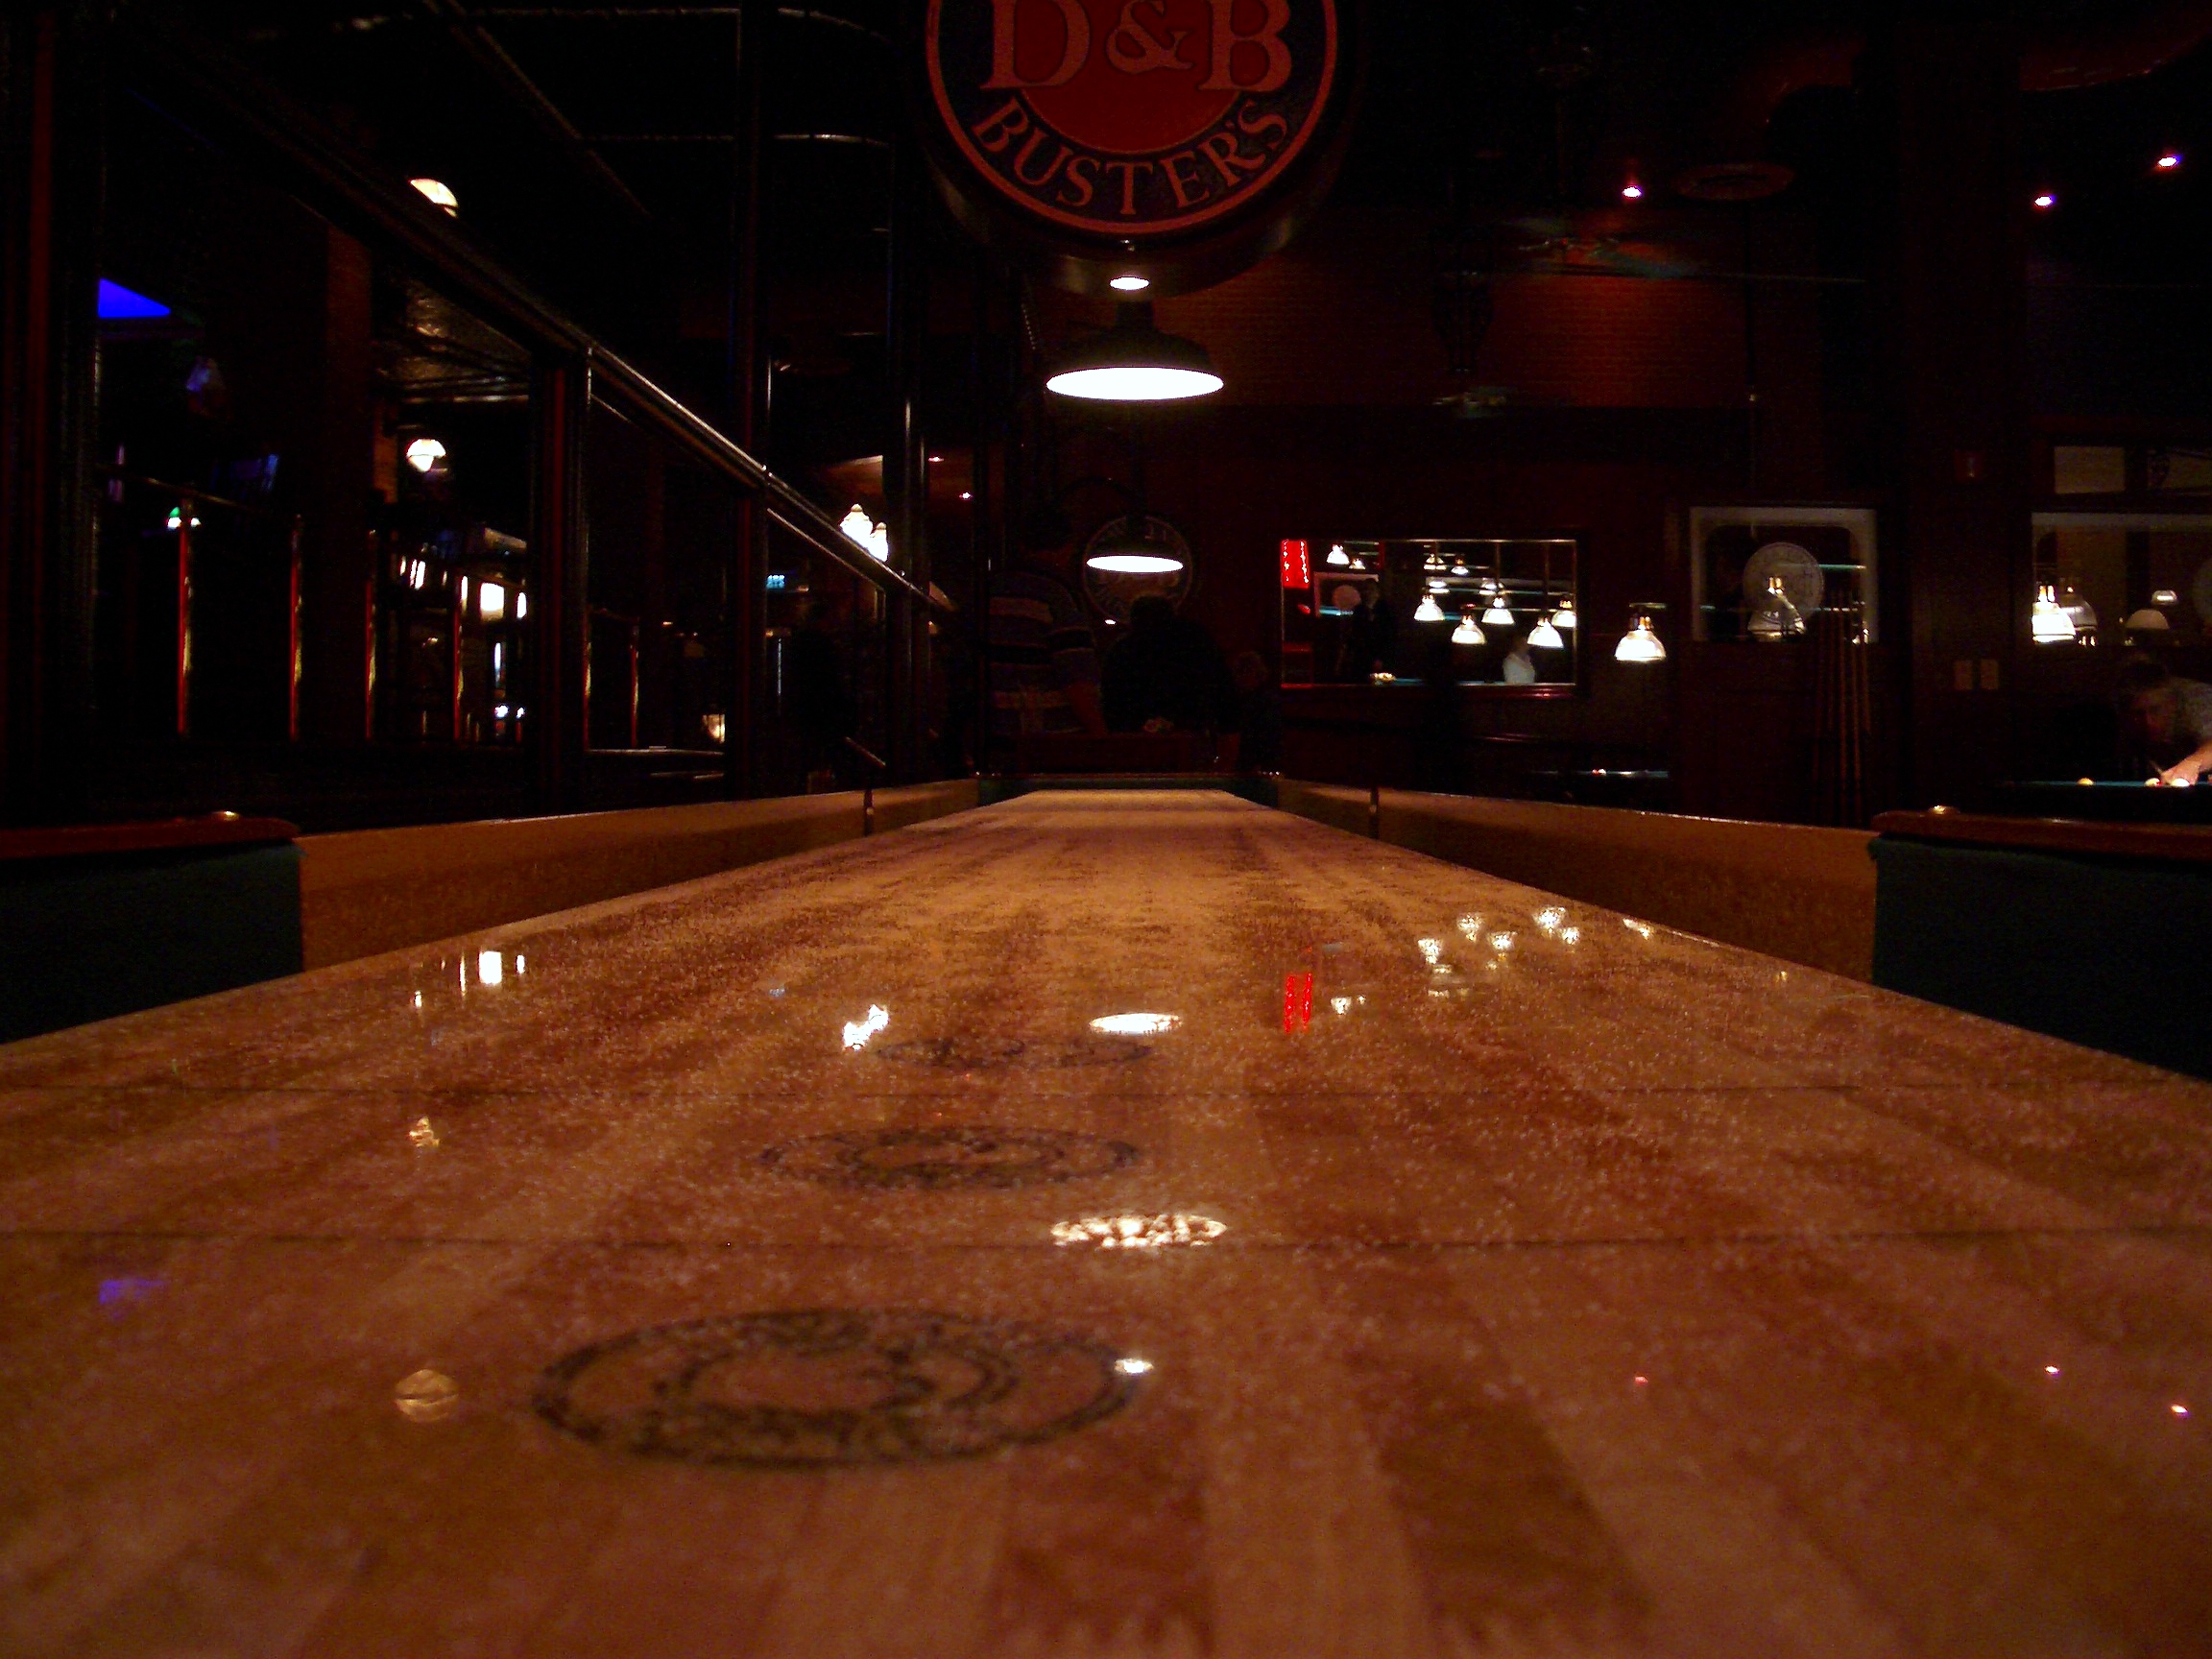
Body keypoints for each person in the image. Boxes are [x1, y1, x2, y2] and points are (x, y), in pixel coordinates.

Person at [987, 506, 1107, 751]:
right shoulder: (1057, 595)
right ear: (1068, 548)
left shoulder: (990, 590)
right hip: (1052, 737)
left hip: (993, 734)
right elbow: (1076, 678)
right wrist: (1102, 739)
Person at [1101, 593, 1238, 734]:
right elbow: (1221, 688)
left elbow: (1112, 698)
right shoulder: (1193, 644)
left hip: (1135, 735)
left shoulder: (1124, 650)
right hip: (1189, 730)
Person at [2116, 656, 2212, 783]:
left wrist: (2193, 763)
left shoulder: (2198, 703)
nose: (2148, 722)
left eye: (2155, 710)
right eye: (2138, 714)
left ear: (2172, 702)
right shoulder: (2120, 711)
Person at [1231, 650, 1283, 773]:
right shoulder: (1238, 700)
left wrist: (1259, 762)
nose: (1242, 677)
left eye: (1247, 672)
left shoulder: (1266, 701)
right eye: (1240, 672)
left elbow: (1268, 735)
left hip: (1259, 763)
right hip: (1243, 762)